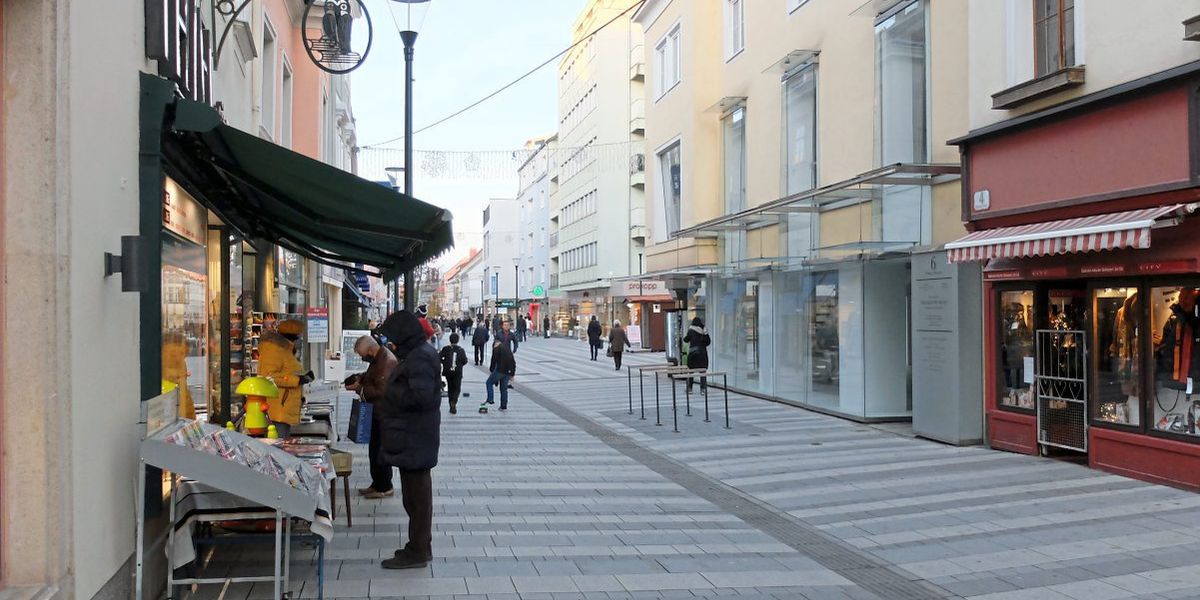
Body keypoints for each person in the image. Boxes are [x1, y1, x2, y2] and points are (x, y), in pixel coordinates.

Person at [375, 310, 442, 570]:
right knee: (414, 499)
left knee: (417, 500)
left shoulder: (420, 358)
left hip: (415, 438)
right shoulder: (416, 354)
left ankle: (419, 550)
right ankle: (419, 546)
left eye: (392, 337)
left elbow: (421, 398)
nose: (389, 343)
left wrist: (390, 396)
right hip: (412, 437)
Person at [346, 335, 399, 499]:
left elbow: (381, 391)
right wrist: (360, 378)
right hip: (376, 413)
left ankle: (385, 486)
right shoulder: (378, 358)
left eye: (362, 355)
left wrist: (359, 388)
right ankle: (376, 483)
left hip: (384, 414)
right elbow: (374, 377)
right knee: (374, 451)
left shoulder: (387, 360)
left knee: (380, 452)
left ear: (370, 350)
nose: (362, 358)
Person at [258, 322, 313, 438]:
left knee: (282, 441)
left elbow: (286, 372)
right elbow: (269, 376)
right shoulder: (274, 349)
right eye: (297, 337)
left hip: (284, 405)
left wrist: (303, 377)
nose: (299, 341)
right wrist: (297, 380)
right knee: (278, 443)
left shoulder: (286, 349)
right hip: (277, 407)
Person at [439, 333, 468, 414]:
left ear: (450, 340)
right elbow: (465, 361)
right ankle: (454, 402)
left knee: (450, 388)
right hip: (457, 372)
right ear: (458, 340)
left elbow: (439, 357)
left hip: (448, 372)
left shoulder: (446, 349)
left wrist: (444, 362)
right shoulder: (461, 350)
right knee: (457, 388)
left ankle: (451, 404)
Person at [486, 339, 516, 410]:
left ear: (496, 344)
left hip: (500, 370)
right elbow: (513, 361)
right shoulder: (508, 349)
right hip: (507, 372)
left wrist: (491, 370)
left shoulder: (496, 348)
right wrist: (512, 374)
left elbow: (493, 360)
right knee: (504, 388)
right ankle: (503, 406)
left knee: (489, 383)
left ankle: (490, 399)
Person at [683, 317, 711, 394]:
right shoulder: (704, 330)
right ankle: (703, 390)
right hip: (702, 353)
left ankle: (689, 389)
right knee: (702, 372)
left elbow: (686, 339)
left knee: (691, 371)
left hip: (693, 354)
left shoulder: (691, 330)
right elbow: (708, 342)